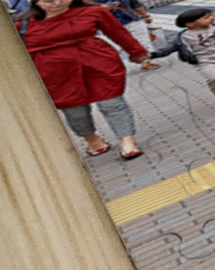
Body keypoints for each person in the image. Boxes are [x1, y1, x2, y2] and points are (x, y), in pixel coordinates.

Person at [20, 0, 150, 159]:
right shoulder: (22, 25)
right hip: (55, 74)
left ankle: (127, 142)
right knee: (75, 111)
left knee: (112, 103)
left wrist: (136, 52)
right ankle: (92, 140)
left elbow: (118, 33)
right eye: (48, 0)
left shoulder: (94, 12)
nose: (57, 2)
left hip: (98, 63)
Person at [105, 0, 161, 71]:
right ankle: (107, 69)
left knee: (144, 42)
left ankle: (146, 63)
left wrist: (145, 16)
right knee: (111, 48)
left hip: (132, 20)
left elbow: (135, 4)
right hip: (110, 26)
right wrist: (102, 8)